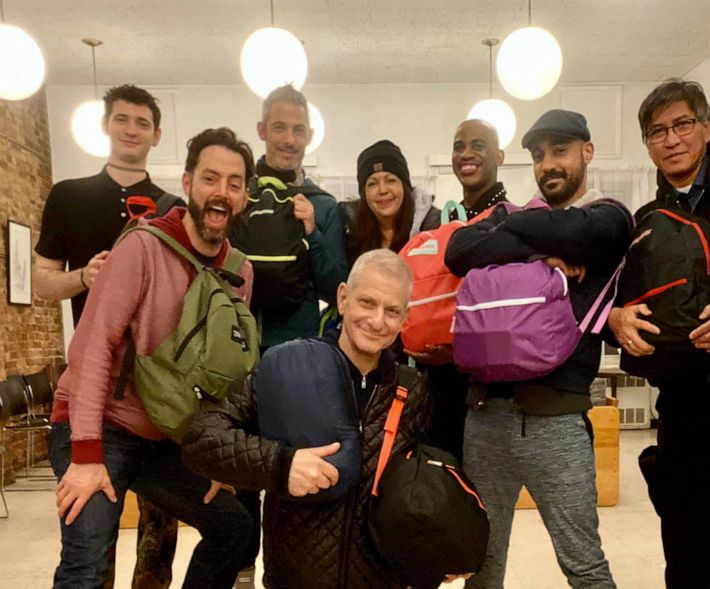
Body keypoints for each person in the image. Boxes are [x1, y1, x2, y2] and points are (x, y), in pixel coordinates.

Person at [47, 127, 259, 588]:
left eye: (234, 183)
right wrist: (86, 454)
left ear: (243, 197)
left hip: (165, 439)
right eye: (210, 178)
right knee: (88, 562)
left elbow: (224, 375)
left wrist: (215, 458)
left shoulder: (240, 271)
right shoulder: (142, 247)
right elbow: (93, 347)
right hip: (97, 425)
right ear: (187, 184)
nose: (221, 192)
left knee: (235, 531)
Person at [182, 249, 457, 588]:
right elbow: (201, 438)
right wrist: (281, 465)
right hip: (295, 579)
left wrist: (445, 546)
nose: (377, 320)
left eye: (392, 311)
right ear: (343, 298)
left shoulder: (416, 392)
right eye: (367, 303)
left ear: (405, 318)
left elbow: (440, 484)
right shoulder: (287, 369)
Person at [446, 109, 632, 589]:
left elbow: (579, 233)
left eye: (560, 151)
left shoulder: (610, 216)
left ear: (587, 153)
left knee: (584, 566)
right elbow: (460, 250)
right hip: (485, 416)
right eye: (538, 155)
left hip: (558, 421)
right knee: (481, 565)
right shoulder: (521, 214)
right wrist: (539, 251)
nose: (548, 164)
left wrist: (513, 237)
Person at [606, 79, 710, 588]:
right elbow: (619, 294)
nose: (672, 139)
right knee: (684, 529)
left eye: (682, 124)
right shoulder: (647, 219)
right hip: (686, 395)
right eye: (657, 131)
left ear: (705, 126)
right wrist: (617, 320)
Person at [34, 84, 181, 588]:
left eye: (142, 122)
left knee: (159, 540)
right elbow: (38, 282)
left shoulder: (174, 208)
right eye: (122, 119)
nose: (132, 130)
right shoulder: (69, 196)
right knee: (93, 541)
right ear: (106, 126)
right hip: (95, 388)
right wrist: (83, 278)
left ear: (157, 134)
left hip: (158, 397)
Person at [407, 118, 511, 461]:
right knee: (441, 490)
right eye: (458, 146)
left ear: (500, 155)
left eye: (478, 145)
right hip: (436, 388)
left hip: (490, 395)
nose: (466, 153)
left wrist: (458, 353)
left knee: (481, 502)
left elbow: (512, 318)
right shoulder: (439, 225)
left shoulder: (513, 220)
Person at [251, 84, 349, 352]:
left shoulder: (324, 205)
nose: (289, 140)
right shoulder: (239, 195)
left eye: (298, 130)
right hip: (236, 347)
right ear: (262, 130)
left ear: (310, 136)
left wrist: (312, 235)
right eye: (279, 127)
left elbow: (335, 290)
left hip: (298, 351)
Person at [342, 140, 441, 265]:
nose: (382, 190)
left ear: (405, 187)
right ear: (364, 194)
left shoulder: (434, 228)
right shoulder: (350, 233)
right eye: (372, 184)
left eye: (390, 180)